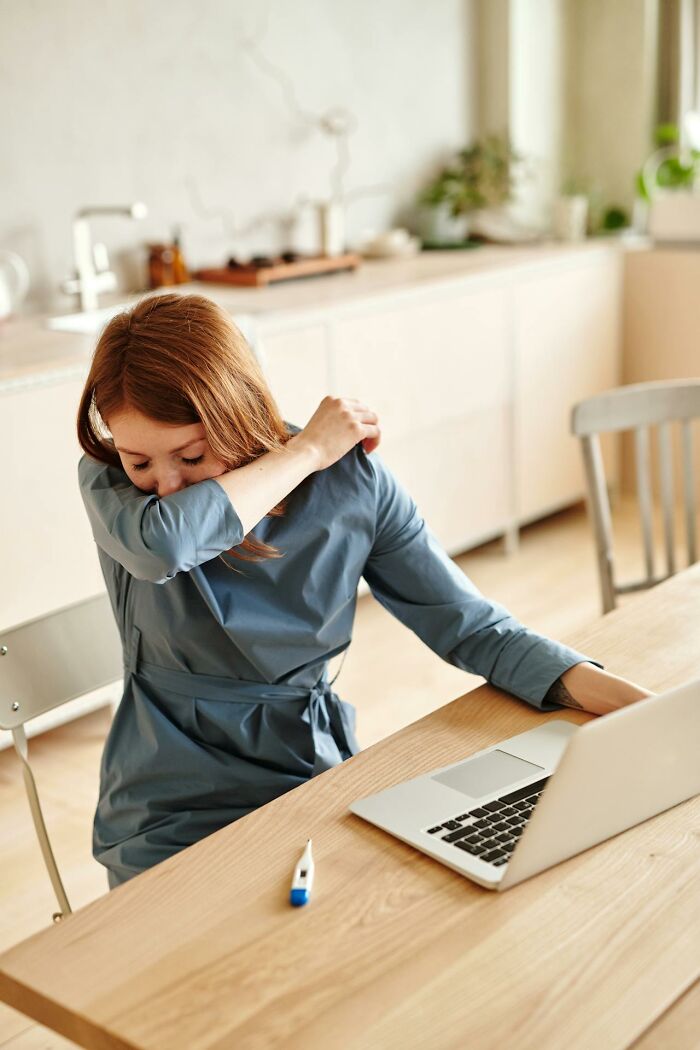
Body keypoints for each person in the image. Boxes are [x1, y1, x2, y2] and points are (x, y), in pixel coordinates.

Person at [77, 292, 650, 889]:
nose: (165, 486)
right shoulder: (111, 484)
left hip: (308, 771)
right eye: (141, 462)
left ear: (237, 411)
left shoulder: (352, 485)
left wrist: (634, 703)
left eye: (191, 456)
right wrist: (307, 451)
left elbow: (473, 629)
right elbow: (165, 547)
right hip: (165, 799)